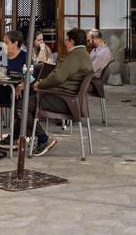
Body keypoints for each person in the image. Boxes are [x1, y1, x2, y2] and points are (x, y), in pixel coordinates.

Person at [28, 27, 94, 155]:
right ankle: (21, 138)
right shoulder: (84, 54)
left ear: (72, 41)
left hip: (64, 100)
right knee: (28, 102)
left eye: (66, 39)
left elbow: (58, 77)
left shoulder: (75, 56)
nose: (64, 42)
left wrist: (40, 84)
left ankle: (43, 139)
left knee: (22, 106)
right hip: (70, 99)